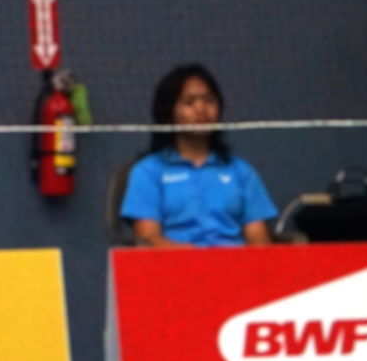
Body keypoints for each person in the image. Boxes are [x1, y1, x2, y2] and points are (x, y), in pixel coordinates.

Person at [119, 64, 277, 247]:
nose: (201, 109)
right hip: (175, 262)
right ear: (169, 113)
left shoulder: (241, 171)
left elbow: (258, 240)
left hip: (233, 261)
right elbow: (149, 238)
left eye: (209, 101)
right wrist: (197, 260)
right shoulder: (147, 172)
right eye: (189, 102)